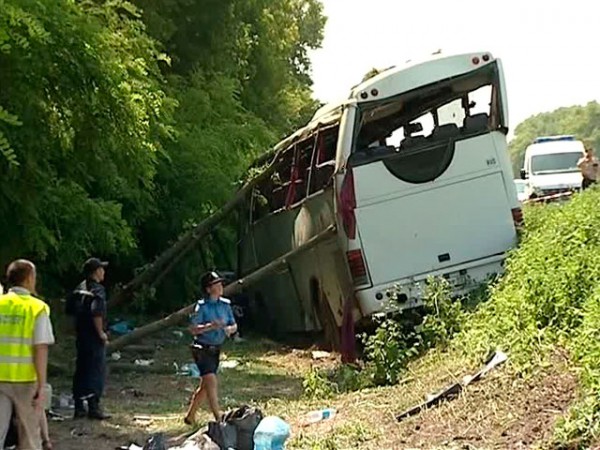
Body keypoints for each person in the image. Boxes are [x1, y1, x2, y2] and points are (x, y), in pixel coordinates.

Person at [0, 259, 55, 450]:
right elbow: (40, 348)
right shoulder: (37, 308)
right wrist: (42, 385)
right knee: (30, 437)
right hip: (25, 381)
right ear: (29, 278)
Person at [184, 271, 237, 425]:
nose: (220, 287)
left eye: (221, 284)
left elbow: (233, 324)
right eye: (216, 284)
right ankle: (219, 418)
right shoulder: (202, 307)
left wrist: (229, 329)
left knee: (205, 386)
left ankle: (190, 416)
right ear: (208, 289)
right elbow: (193, 329)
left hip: (216, 348)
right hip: (202, 348)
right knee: (212, 382)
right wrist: (210, 326)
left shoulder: (226, 305)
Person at [70, 257, 111, 420]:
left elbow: (70, 310)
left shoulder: (79, 288)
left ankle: (79, 407)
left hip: (81, 335)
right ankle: (94, 408)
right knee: (95, 371)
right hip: (93, 337)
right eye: (101, 269)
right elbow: (97, 312)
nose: (104, 272)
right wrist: (101, 332)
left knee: (81, 370)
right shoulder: (98, 290)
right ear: (96, 271)